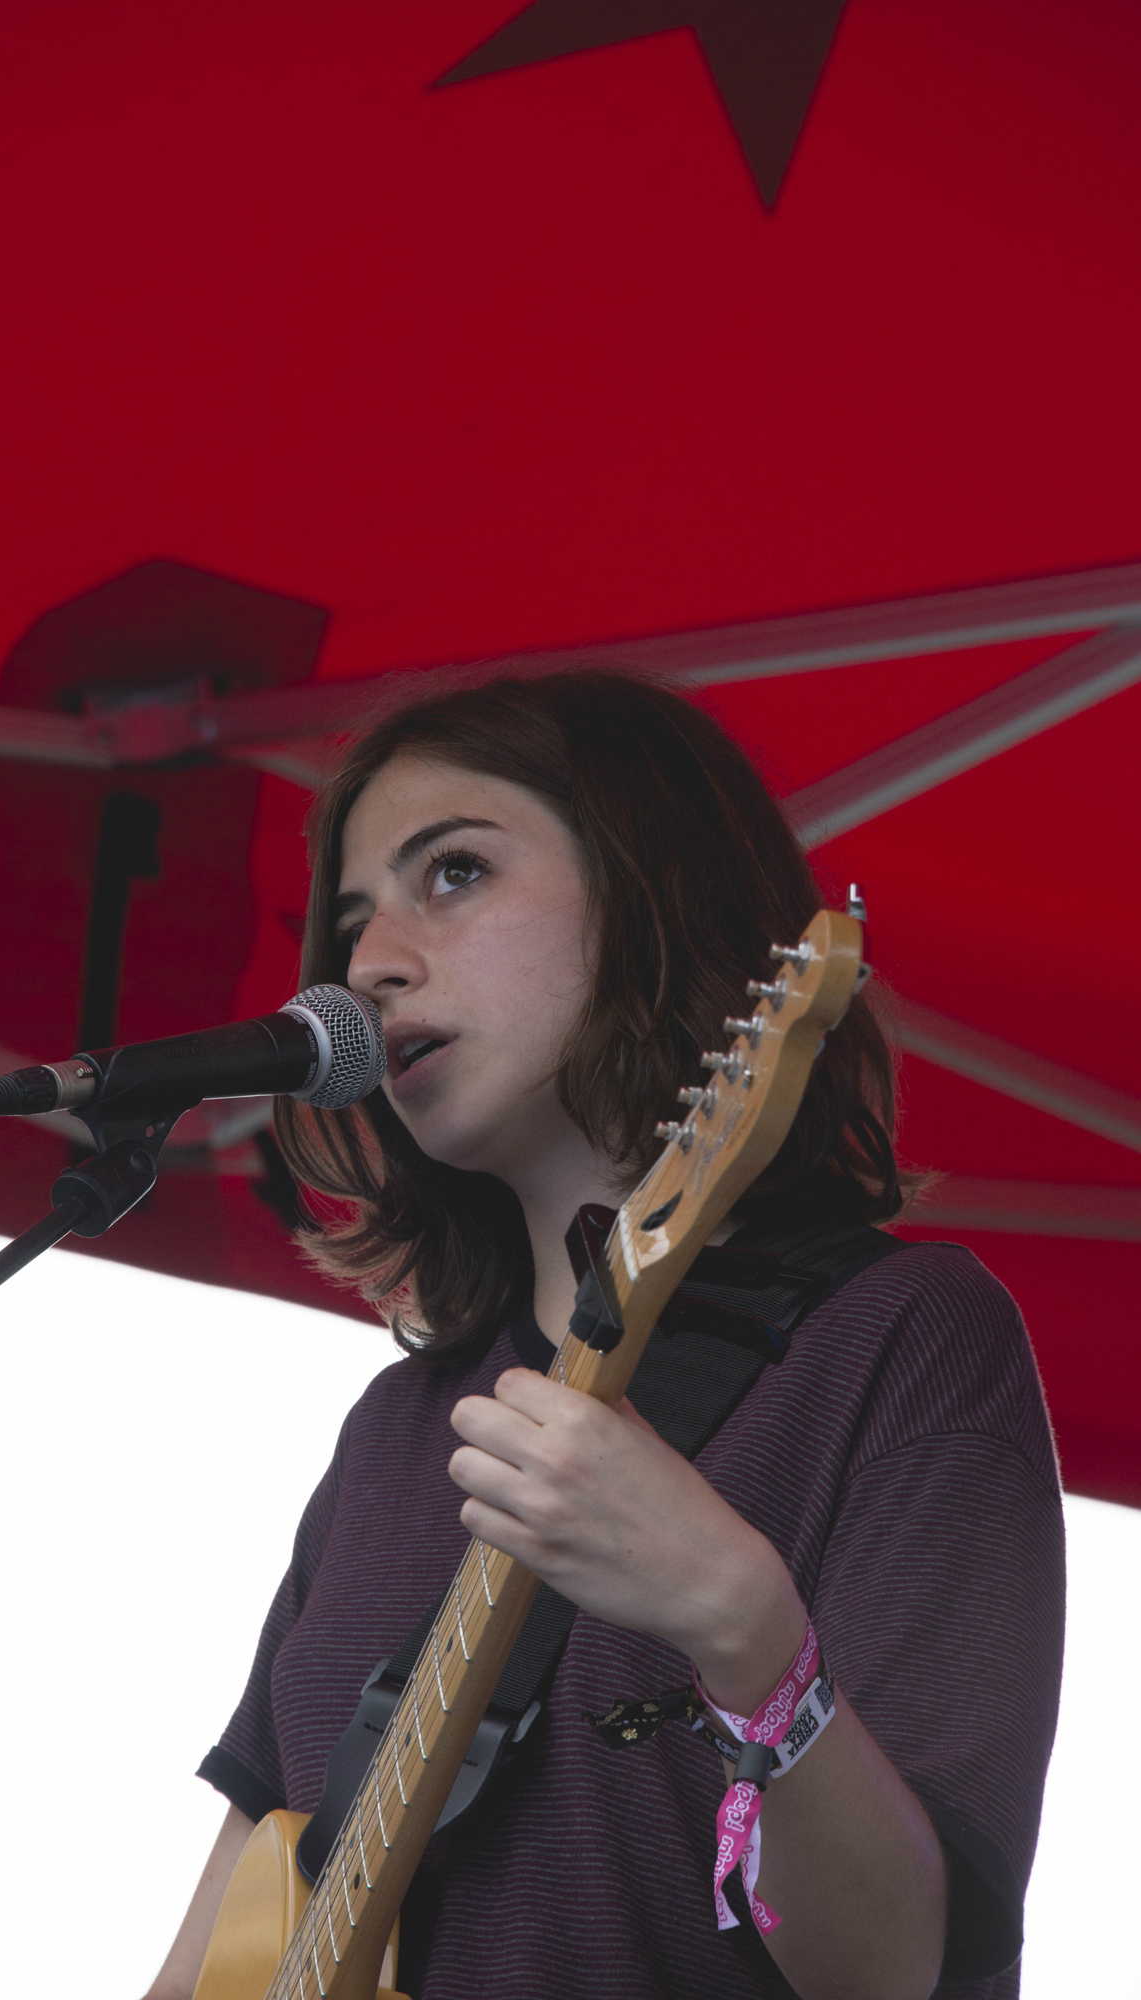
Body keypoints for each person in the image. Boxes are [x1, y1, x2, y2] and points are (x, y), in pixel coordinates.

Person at [144, 671, 1064, 2000]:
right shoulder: (397, 1433)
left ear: (652, 891)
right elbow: (218, 1947)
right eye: (349, 923)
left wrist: (739, 1623)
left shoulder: (900, 1339)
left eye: (454, 873)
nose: (372, 962)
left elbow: (891, 1974)